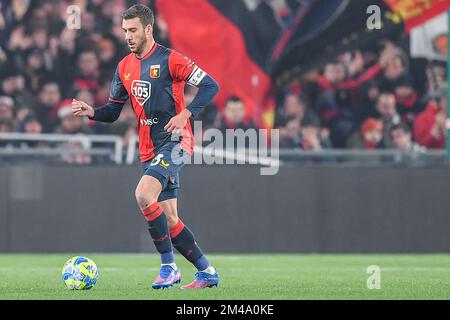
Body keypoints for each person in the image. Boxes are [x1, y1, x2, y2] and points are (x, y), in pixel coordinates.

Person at [71, 4, 219, 290]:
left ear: (148, 29)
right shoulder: (124, 66)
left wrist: (186, 114)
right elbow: (113, 111)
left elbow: (211, 85)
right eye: (125, 30)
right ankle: (206, 271)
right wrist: (92, 112)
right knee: (171, 218)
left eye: (133, 30)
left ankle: (168, 267)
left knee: (142, 195)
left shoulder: (171, 59)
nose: (128, 36)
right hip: (149, 150)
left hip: (177, 142)